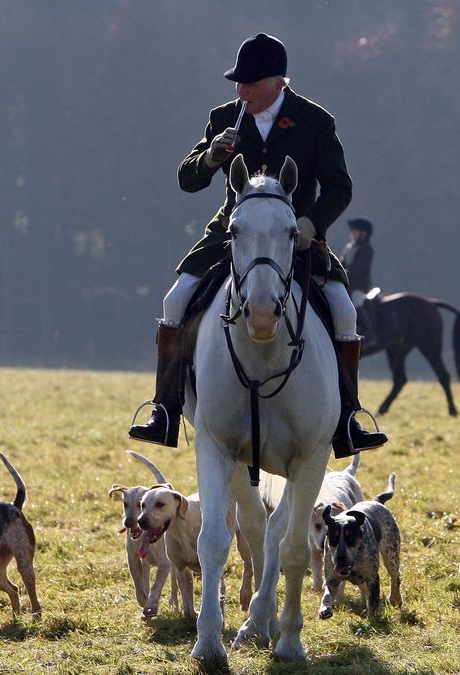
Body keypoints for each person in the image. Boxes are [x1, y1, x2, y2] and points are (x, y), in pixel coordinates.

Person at [128, 33, 387, 457]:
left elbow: (340, 188)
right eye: (239, 83)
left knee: (343, 308)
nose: (241, 91)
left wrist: (311, 222)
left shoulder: (315, 121)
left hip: (295, 235)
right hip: (234, 232)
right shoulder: (224, 118)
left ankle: (348, 419)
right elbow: (187, 178)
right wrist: (211, 156)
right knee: (175, 301)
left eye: (249, 83)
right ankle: (166, 410)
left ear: (278, 82)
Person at [340, 217, 377, 348]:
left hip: (359, 286)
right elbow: (341, 263)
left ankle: (370, 333)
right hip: (348, 284)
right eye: (352, 231)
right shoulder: (349, 247)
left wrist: (342, 274)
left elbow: (358, 271)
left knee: (356, 303)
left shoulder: (367, 249)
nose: (352, 234)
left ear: (364, 233)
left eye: (355, 231)